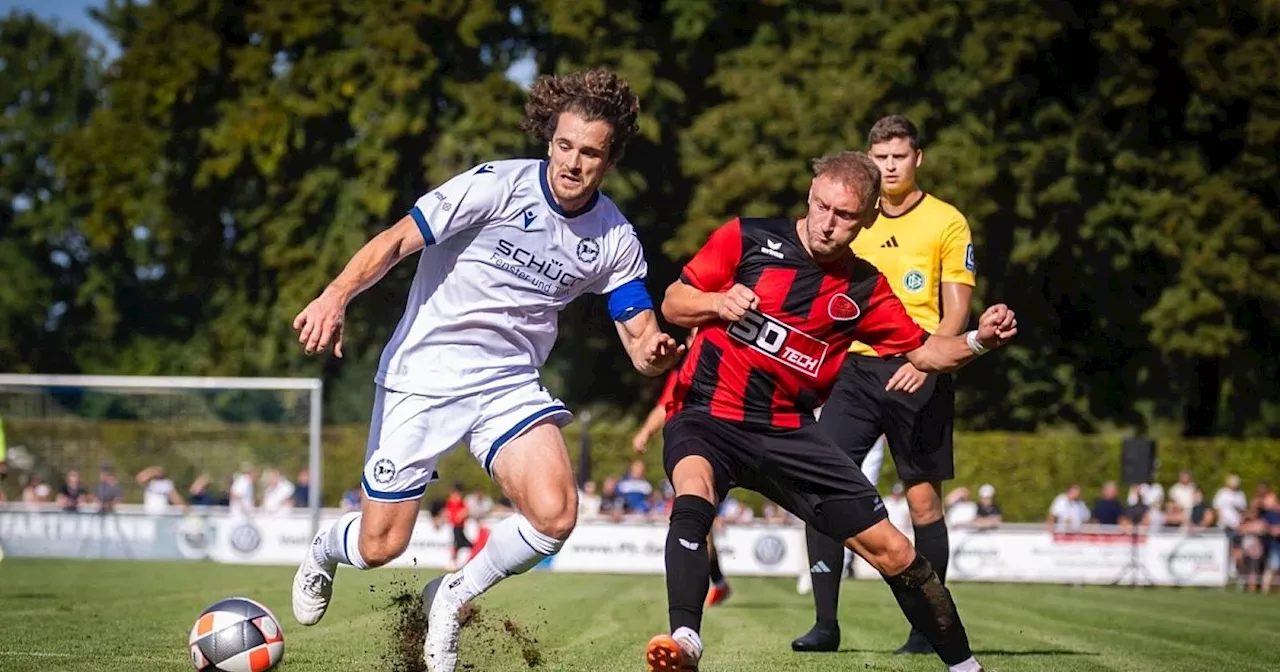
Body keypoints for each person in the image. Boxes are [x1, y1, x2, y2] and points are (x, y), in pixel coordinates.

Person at [288, 68, 682, 672]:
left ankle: (452, 596)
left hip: (508, 385)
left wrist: (655, 350)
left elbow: (638, 330)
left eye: (591, 153)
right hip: (423, 374)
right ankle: (323, 549)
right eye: (565, 145)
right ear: (550, 139)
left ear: (610, 159)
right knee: (379, 545)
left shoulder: (614, 237)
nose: (573, 163)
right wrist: (336, 294)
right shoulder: (494, 186)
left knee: (556, 514)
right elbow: (396, 241)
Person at [643, 150, 1015, 672]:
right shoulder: (746, 237)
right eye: (821, 206)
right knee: (693, 490)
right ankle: (685, 640)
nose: (827, 223)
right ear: (811, 195)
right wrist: (718, 302)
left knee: (896, 553)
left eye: (844, 216)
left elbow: (927, 352)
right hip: (709, 414)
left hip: (791, 433)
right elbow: (674, 301)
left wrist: (979, 339)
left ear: (867, 219)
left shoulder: (865, 287)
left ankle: (965, 667)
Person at [792, 115, 979, 656]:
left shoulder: (948, 221)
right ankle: (825, 625)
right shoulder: (854, 216)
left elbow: (958, 308)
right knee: (821, 486)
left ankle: (926, 632)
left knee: (923, 503)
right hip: (854, 369)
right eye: (880, 158)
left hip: (920, 369)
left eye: (899, 156)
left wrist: (926, 363)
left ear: (917, 157)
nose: (889, 166)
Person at [632, 337, 734, 608]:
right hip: (691, 449)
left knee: (696, 521)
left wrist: (645, 431)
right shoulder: (687, 366)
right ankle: (718, 583)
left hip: (706, 449)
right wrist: (646, 431)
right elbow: (666, 403)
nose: (690, 338)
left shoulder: (713, 363)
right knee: (702, 522)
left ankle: (694, 594)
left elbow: (664, 405)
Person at [443, 483, 472, 570]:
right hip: (454, 525)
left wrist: (462, 515)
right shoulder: (451, 502)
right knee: (456, 544)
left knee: (461, 544)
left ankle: (459, 561)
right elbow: (448, 512)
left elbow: (466, 511)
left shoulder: (460, 502)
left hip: (460, 526)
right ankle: (453, 562)